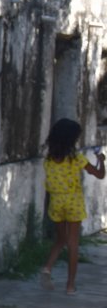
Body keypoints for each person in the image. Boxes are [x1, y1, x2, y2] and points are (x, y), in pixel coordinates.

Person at [40, 117, 105, 295]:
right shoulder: (77, 159)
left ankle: (47, 267)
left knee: (60, 240)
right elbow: (100, 175)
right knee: (73, 243)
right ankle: (70, 286)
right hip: (73, 202)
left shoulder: (48, 160)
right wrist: (101, 160)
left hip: (56, 202)